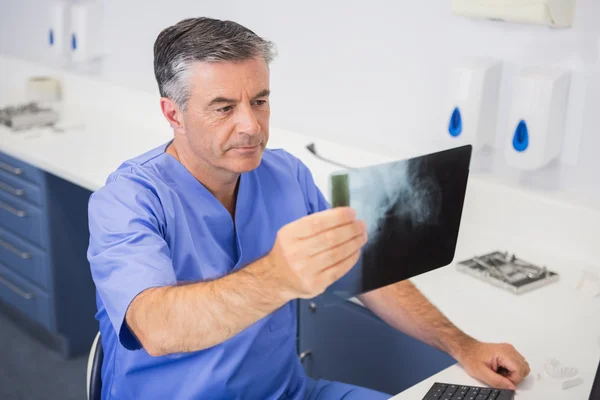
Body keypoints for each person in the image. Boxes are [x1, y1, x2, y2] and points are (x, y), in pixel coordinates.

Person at [87, 17, 530, 400]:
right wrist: (278, 276)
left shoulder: (285, 175)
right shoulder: (127, 200)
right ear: (173, 114)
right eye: (223, 108)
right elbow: (157, 328)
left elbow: (362, 270)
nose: (251, 126)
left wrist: (462, 345)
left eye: (259, 101)